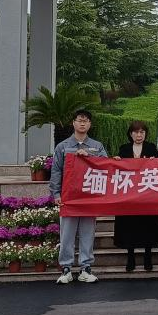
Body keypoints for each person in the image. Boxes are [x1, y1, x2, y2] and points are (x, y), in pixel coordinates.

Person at [50, 109, 109, 284]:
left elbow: (106, 166)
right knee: (67, 234)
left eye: (86, 121)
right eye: (79, 120)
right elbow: (56, 171)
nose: (82, 123)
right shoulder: (62, 146)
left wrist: (89, 156)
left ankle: (85, 267)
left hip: (89, 196)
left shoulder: (97, 146)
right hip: (69, 197)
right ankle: (66, 268)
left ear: (90, 124)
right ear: (73, 123)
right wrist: (56, 193)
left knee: (87, 233)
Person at [113, 121, 158, 272]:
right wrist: (116, 161)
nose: (139, 135)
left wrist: (155, 162)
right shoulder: (124, 149)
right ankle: (131, 258)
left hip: (147, 194)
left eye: (142, 132)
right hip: (129, 195)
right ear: (130, 134)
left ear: (145, 134)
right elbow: (118, 170)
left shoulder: (151, 148)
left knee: (148, 226)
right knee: (129, 226)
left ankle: (148, 257)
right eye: (136, 132)